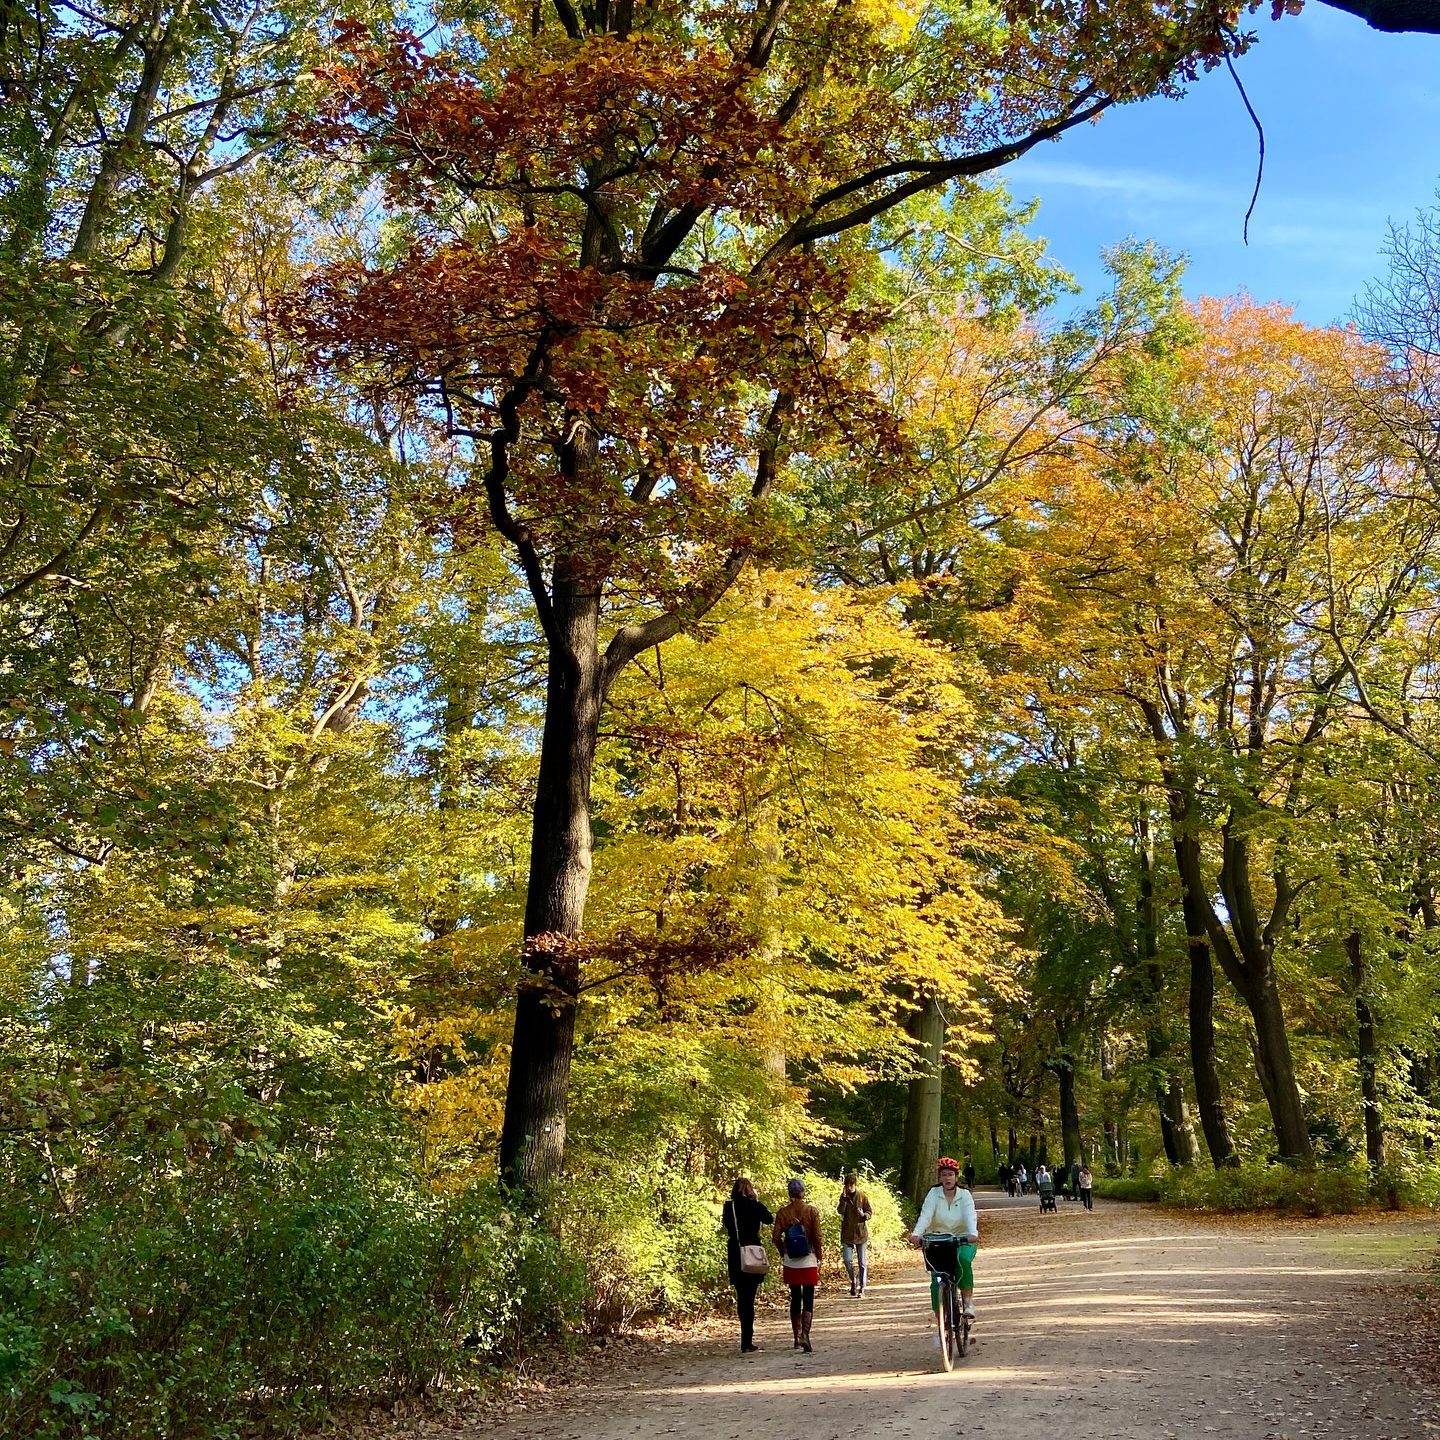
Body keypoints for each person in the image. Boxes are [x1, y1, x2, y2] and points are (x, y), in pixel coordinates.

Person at [909, 1156, 980, 1339]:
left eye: (950, 1175)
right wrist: (916, 1234)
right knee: (936, 1279)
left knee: (962, 1260)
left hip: (962, 1239)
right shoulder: (934, 1194)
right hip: (937, 1240)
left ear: (956, 1177)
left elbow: (970, 1216)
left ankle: (968, 1302)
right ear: (939, 1178)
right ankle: (942, 1321)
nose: (947, 1178)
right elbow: (925, 1215)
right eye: (943, 1175)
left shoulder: (964, 1195)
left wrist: (972, 1234)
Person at [722, 1177, 773, 1354]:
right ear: (750, 1190)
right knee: (750, 1298)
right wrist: (755, 1201)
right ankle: (747, 1340)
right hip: (752, 1252)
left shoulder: (730, 1207)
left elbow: (727, 1225)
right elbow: (768, 1219)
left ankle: (745, 1339)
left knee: (742, 1297)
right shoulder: (754, 1206)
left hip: (736, 1253)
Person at [773, 1177, 823, 1352]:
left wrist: (784, 1252)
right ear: (803, 1192)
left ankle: (796, 1337)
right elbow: (817, 1236)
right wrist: (819, 1255)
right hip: (808, 1258)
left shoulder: (782, 1213)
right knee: (808, 1296)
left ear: (789, 1194)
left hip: (791, 1260)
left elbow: (775, 1238)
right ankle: (806, 1335)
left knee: (795, 1297)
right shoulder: (811, 1211)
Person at [837, 1171, 872, 1298]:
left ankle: (862, 1287)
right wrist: (844, 1200)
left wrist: (864, 1215)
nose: (849, 1187)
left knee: (862, 1262)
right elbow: (840, 1211)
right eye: (847, 1185)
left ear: (855, 1185)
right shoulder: (843, 1197)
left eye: (851, 1185)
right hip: (847, 1234)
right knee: (847, 1260)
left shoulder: (862, 1196)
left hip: (860, 1233)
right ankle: (853, 1280)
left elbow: (869, 1211)